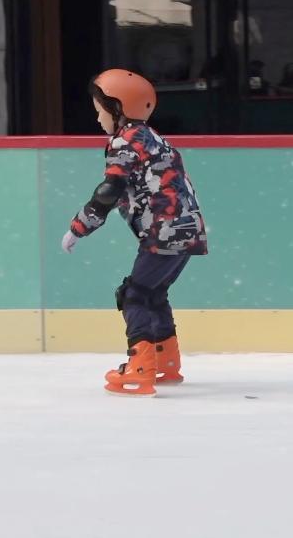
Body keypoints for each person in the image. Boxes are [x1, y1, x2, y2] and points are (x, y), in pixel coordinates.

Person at [61, 69, 208, 397]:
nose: (97, 118)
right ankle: (166, 361)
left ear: (117, 108)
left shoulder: (126, 140)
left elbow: (109, 191)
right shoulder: (153, 138)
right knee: (154, 293)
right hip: (188, 229)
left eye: (100, 110)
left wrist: (78, 228)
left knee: (134, 295)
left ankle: (140, 367)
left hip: (163, 230)